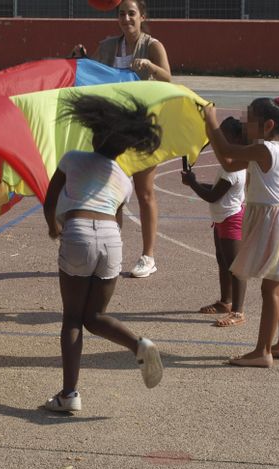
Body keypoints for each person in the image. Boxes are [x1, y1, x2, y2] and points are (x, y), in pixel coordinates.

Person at [42, 94, 165, 412]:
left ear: (95, 135)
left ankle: (69, 395)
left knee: (72, 318)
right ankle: (138, 345)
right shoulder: (123, 179)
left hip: (78, 232)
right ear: (123, 147)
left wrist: (53, 228)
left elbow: (50, 198)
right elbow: (118, 220)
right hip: (111, 240)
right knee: (94, 317)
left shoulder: (72, 159)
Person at [201, 96, 279, 367]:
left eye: (250, 120)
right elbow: (230, 162)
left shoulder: (265, 149)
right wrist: (211, 130)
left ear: (268, 125)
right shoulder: (268, 148)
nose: (244, 124)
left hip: (277, 221)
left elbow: (226, 150)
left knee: (271, 289)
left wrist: (211, 123)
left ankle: (262, 351)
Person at [71, 0, 172, 278]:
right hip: (114, 129)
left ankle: (148, 256)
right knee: (112, 194)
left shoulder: (152, 46)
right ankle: (111, 251)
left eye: (131, 13)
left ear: (142, 16)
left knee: (145, 192)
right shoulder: (108, 46)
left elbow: (168, 80)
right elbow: (90, 73)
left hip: (143, 128)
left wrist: (151, 66)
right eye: (122, 13)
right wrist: (80, 57)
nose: (126, 18)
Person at [181, 117, 247, 327]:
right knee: (223, 261)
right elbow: (218, 187)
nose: (218, 143)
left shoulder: (233, 168)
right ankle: (225, 301)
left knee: (236, 267)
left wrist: (193, 184)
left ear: (235, 139)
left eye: (223, 138)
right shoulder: (230, 164)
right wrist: (197, 182)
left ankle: (237, 311)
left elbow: (213, 196)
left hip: (231, 219)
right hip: (221, 217)